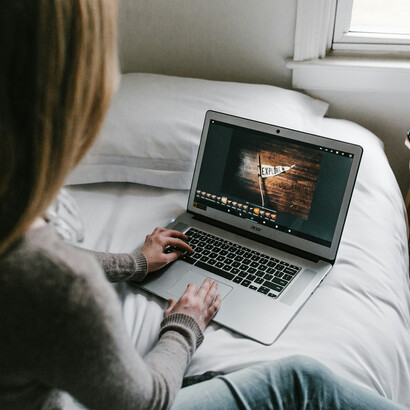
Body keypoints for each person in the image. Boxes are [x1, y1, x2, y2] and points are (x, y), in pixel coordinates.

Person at [0, 1, 407, 409]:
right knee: (302, 382)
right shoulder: (60, 286)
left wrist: (134, 264)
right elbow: (147, 401)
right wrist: (185, 325)